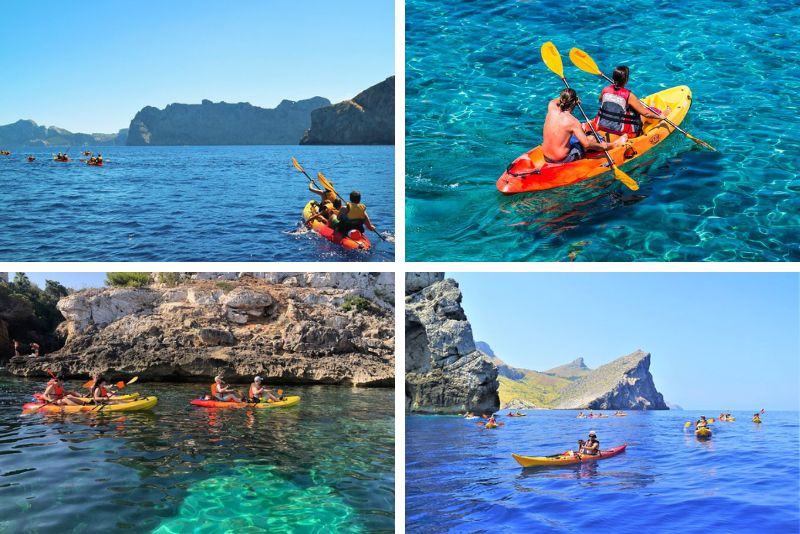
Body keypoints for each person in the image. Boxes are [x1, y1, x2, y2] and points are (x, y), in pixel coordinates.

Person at [542, 88, 628, 164]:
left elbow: (558, 100)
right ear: (574, 102)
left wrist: (569, 98)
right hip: (562, 159)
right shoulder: (573, 122)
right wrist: (604, 146)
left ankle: (581, 132)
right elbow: (586, 144)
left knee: (576, 133)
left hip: (546, 156)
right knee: (591, 139)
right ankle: (614, 145)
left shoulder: (551, 106)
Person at [590, 66, 666, 141]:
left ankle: (650, 108)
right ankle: (662, 113)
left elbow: (600, 99)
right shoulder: (629, 96)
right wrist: (659, 116)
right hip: (623, 132)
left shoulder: (605, 90)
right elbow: (646, 114)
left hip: (602, 126)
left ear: (613, 78)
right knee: (643, 115)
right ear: (626, 80)